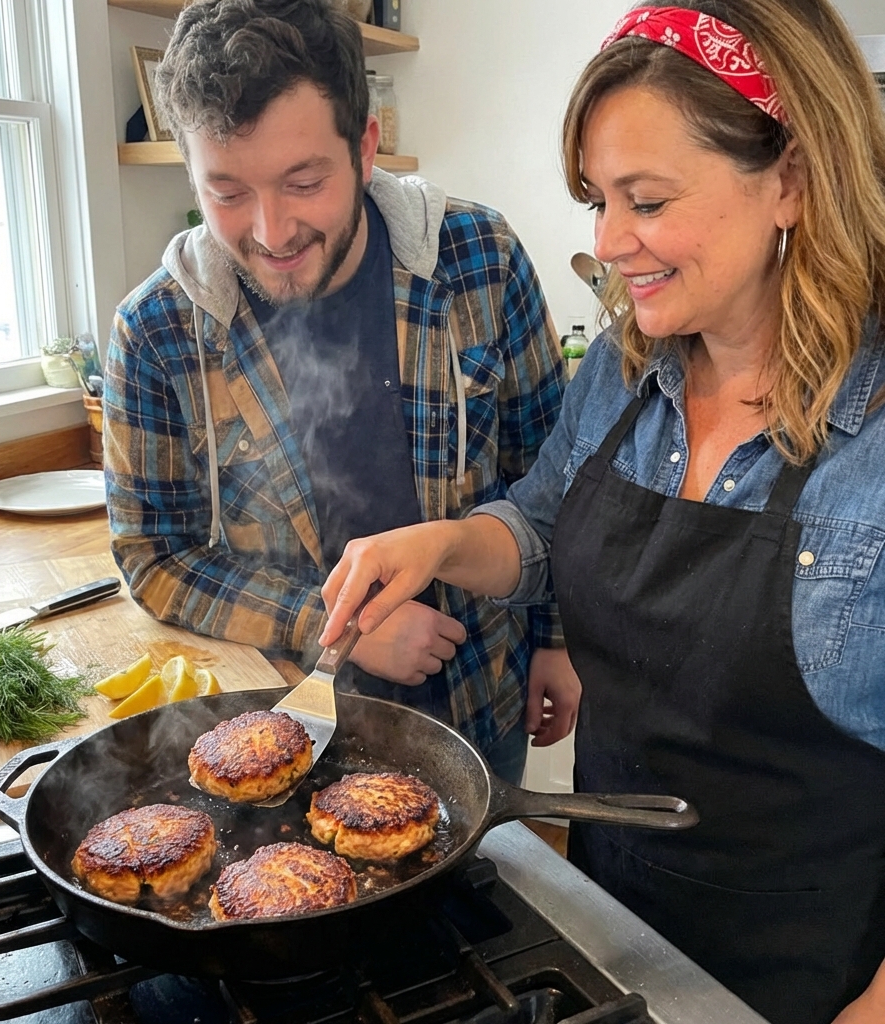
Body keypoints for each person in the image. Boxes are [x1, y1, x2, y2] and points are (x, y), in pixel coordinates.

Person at [320, 2, 885, 1022]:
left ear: (791, 179)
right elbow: (542, 531)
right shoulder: (627, 368)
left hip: (810, 979)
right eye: (595, 199)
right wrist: (443, 541)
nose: (609, 241)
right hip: (606, 930)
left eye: (647, 199)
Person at [103, 0, 570, 783]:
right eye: (226, 192)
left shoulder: (478, 259)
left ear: (366, 147)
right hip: (284, 731)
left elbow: (553, 481)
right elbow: (153, 555)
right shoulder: (155, 332)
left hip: (482, 698)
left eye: (304, 181)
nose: (272, 231)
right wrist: (332, 626)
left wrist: (558, 635)